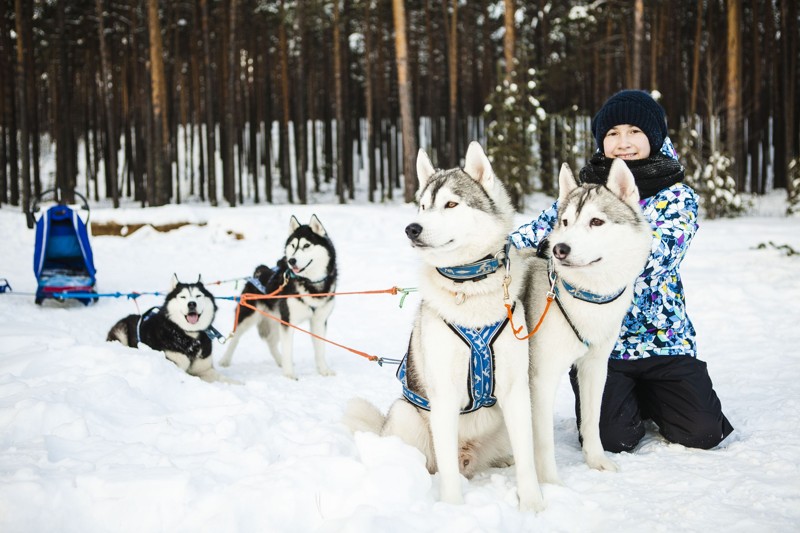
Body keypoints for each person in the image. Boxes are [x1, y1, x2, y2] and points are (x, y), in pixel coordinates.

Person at [510, 89, 733, 452]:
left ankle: (653, 396)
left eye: (634, 132)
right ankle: (628, 400)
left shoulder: (676, 197)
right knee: (615, 440)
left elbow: (654, 258)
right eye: (612, 134)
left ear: (654, 138)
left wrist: (570, 254)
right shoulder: (582, 197)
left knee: (703, 433)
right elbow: (529, 239)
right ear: (601, 142)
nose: (623, 143)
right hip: (598, 345)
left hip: (664, 339)